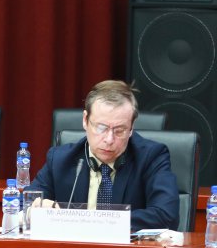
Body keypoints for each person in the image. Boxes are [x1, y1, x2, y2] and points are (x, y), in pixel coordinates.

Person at [28, 80, 179, 231]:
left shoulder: (151, 157)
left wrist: (96, 221)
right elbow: (27, 204)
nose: (109, 139)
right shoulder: (60, 159)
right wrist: (38, 209)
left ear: (131, 128)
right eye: (101, 128)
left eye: (119, 131)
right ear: (85, 120)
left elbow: (167, 216)